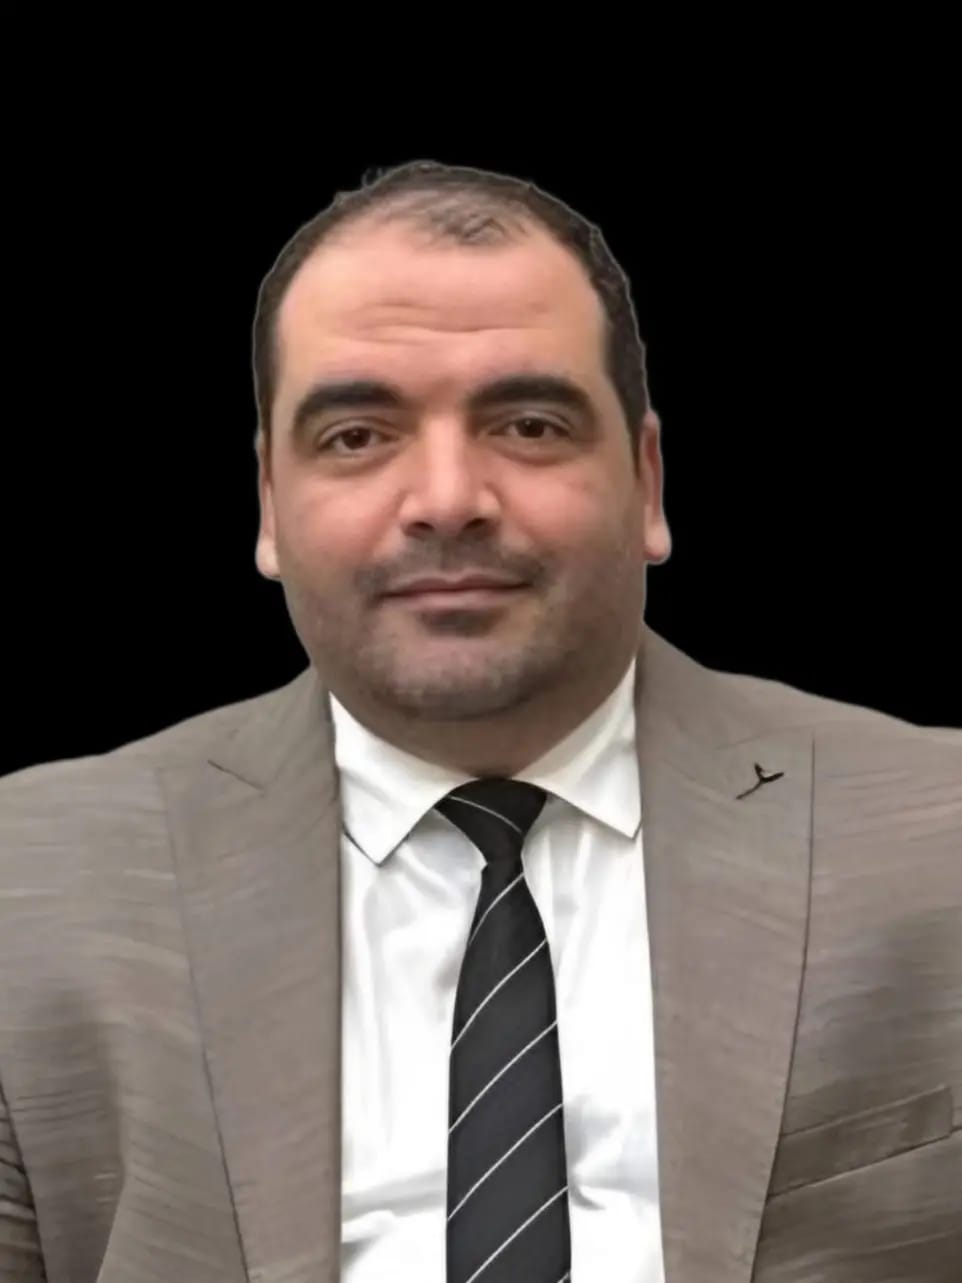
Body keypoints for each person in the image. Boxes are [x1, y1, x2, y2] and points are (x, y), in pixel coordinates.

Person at [1, 160, 959, 1283]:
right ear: (267, 503)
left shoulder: (937, 837)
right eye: (357, 435)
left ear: (648, 482)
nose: (449, 498)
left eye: (529, 424)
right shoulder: (29, 880)